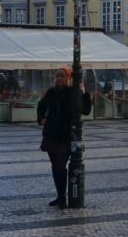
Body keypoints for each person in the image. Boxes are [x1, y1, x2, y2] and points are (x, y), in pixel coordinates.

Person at [36, 67, 92, 209]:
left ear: (68, 78)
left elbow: (86, 110)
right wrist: (41, 119)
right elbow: (41, 105)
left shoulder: (72, 92)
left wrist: (84, 93)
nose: (59, 79)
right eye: (57, 76)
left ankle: (63, 198)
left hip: (66, 136)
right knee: (55, 167)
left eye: (62, 76)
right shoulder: (51, 92)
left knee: (60, 166)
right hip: (50, 135)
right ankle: (60, 196)